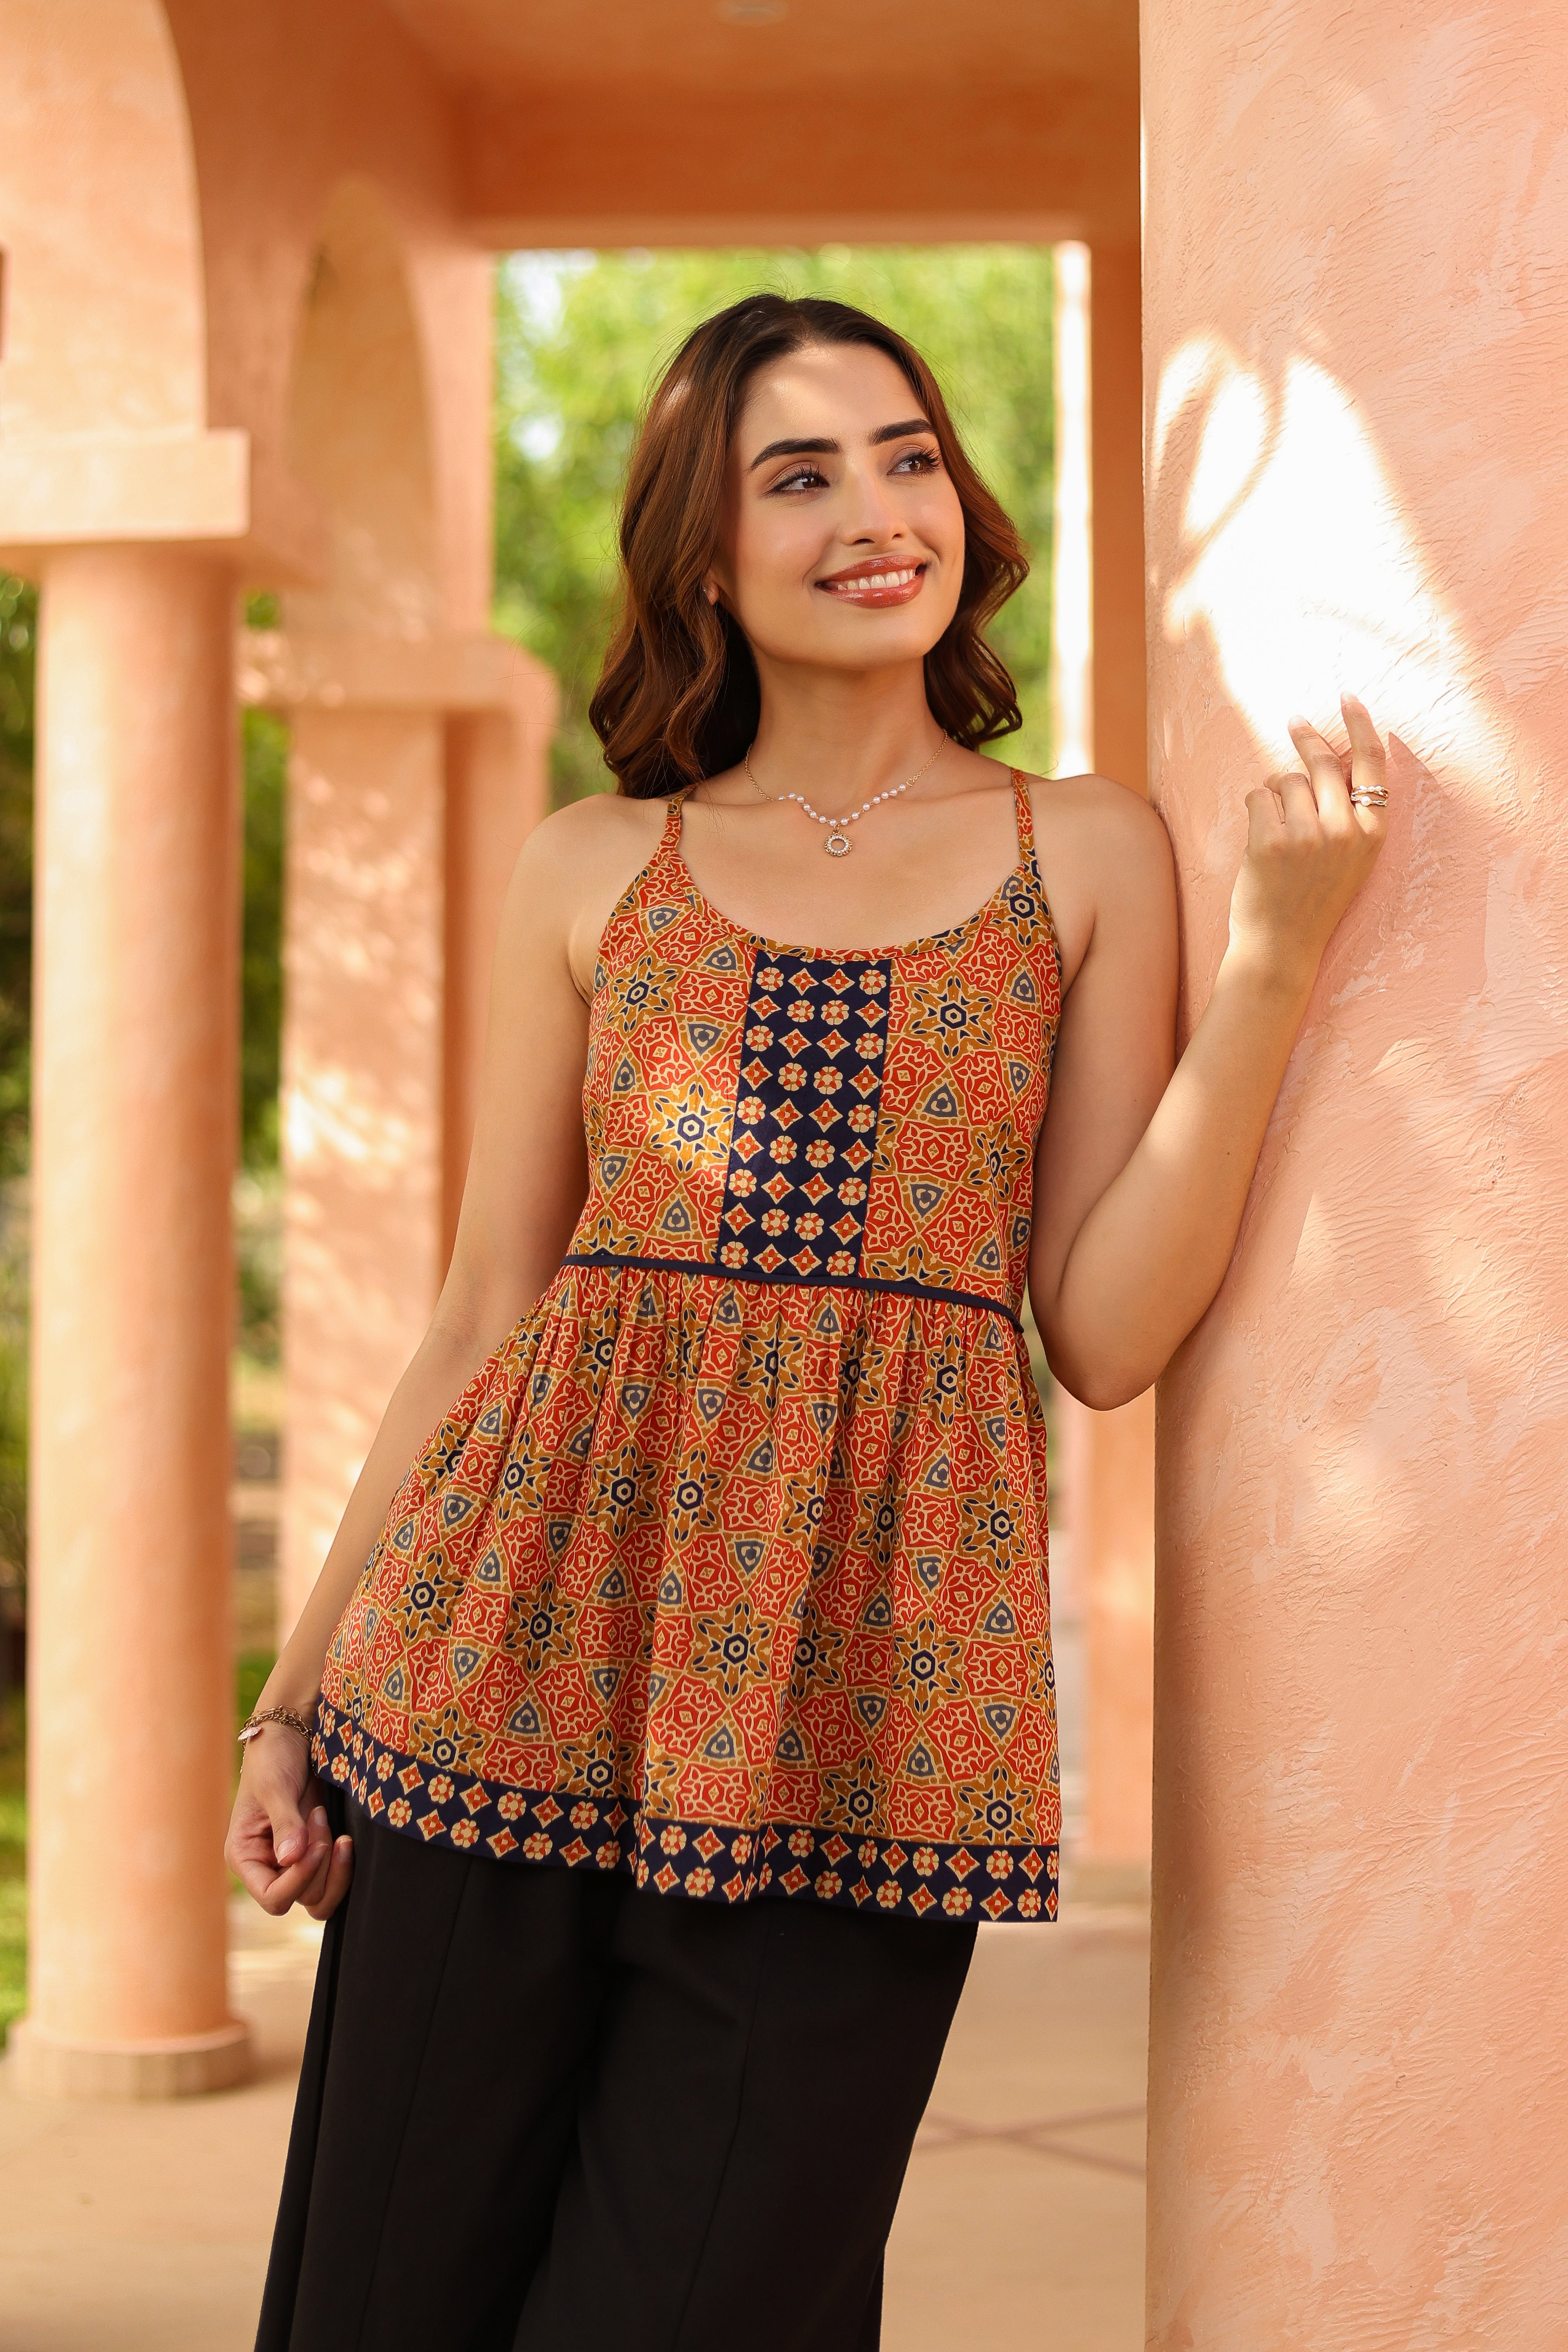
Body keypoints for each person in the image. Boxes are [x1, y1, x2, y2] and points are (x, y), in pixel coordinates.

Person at [229, 294, 1389, 2351]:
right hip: (505, 1665)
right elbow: (484, 1313)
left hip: (869, 1711)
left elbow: (1104, 1329)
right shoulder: (600, 865)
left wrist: (1275, 972)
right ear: (706, 556)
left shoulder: (1080, 848)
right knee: (387, 2305)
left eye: (907, 456)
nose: (878, 512)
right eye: (801, 475)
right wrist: (294, 1707)